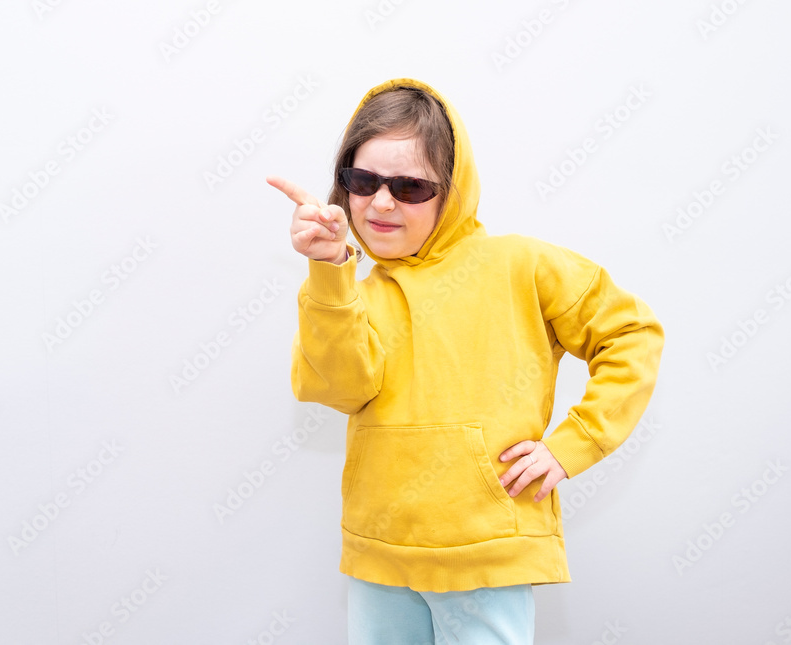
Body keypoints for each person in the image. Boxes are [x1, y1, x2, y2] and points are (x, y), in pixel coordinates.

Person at [266, 78, 664, 645]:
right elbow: (338, 389)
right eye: (363, 181)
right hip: (380, 551)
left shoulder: (520, 266)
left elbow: (632, 332)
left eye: (409, 186)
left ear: (451, 191)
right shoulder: (353, 293)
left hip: (487, 553)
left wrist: (574, 443)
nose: (382, 202)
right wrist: (330, 272)